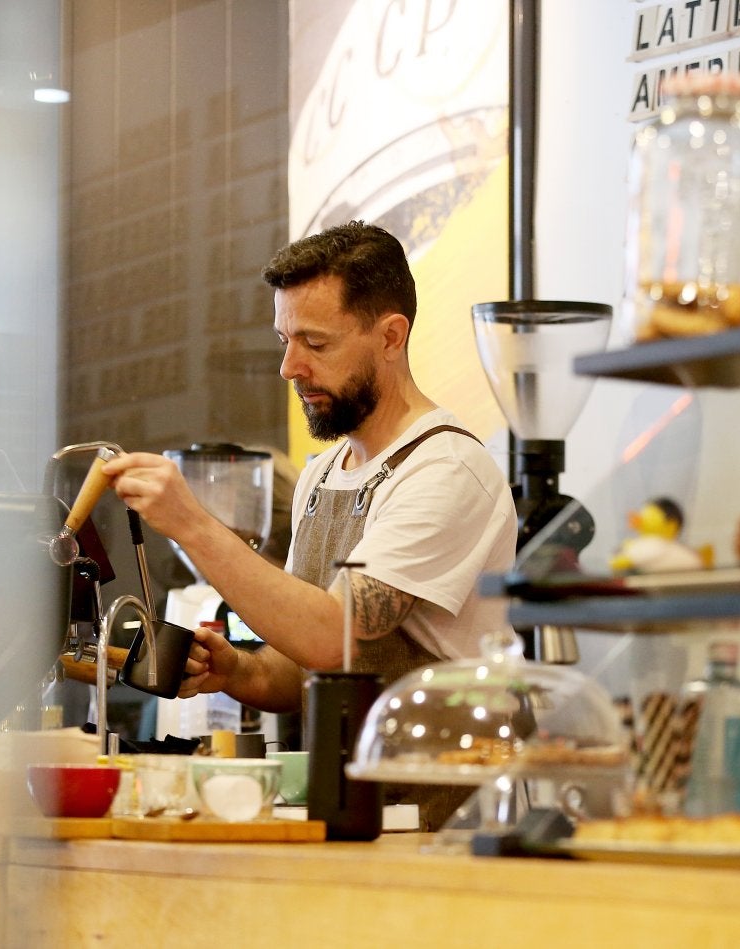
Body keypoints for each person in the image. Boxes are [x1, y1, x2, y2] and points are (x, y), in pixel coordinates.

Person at [101, 221, 517, 829]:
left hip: (439, 828)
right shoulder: (324, 473)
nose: (289, 367)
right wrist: (239, 670)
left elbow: (336, 637)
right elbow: (308, 666)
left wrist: (191, 524)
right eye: (284, 340)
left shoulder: (445, 468)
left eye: (315, 344)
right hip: (347, 813)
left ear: (391, 337)